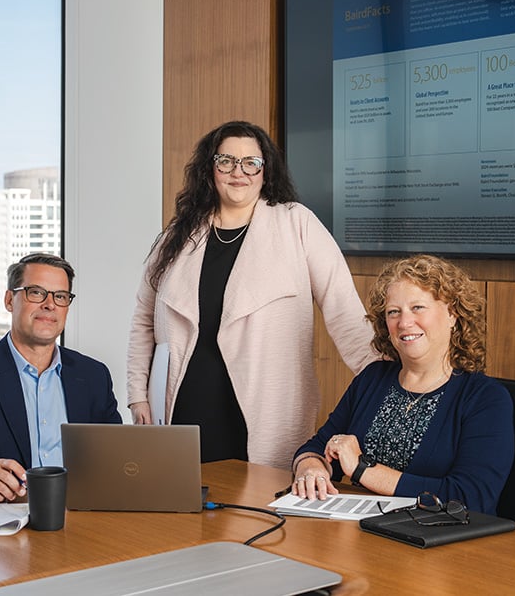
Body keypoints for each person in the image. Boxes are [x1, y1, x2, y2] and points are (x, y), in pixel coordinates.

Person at [127, 120, 376, 468]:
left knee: (260, 508)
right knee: (187, 510)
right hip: (185, 402)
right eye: (226, 161)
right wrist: (138, 394)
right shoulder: (177, 234)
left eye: (250, 163)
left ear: (265, 170)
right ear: (210, 168)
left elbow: (344, 310)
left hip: (265, 404)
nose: (238, 172)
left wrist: (386, 379)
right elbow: (143, 320)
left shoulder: (296, 223)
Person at [291, 254, 514, 515]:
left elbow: (470, 497)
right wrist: (311, 468)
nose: (404, 322)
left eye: (417, 308)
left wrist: (363, 470)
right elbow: (318, 447)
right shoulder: (372, 379)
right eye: (393, 312)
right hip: (367, 534)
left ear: (453, 314)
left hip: (443, 545)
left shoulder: (486, 398)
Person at [0, 253, 122, 502]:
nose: (50, 304)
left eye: (60, 296)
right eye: (36, 293)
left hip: (83, 516)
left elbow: (116, 459)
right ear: (10, 300)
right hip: (8, 520)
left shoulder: (93, 375)